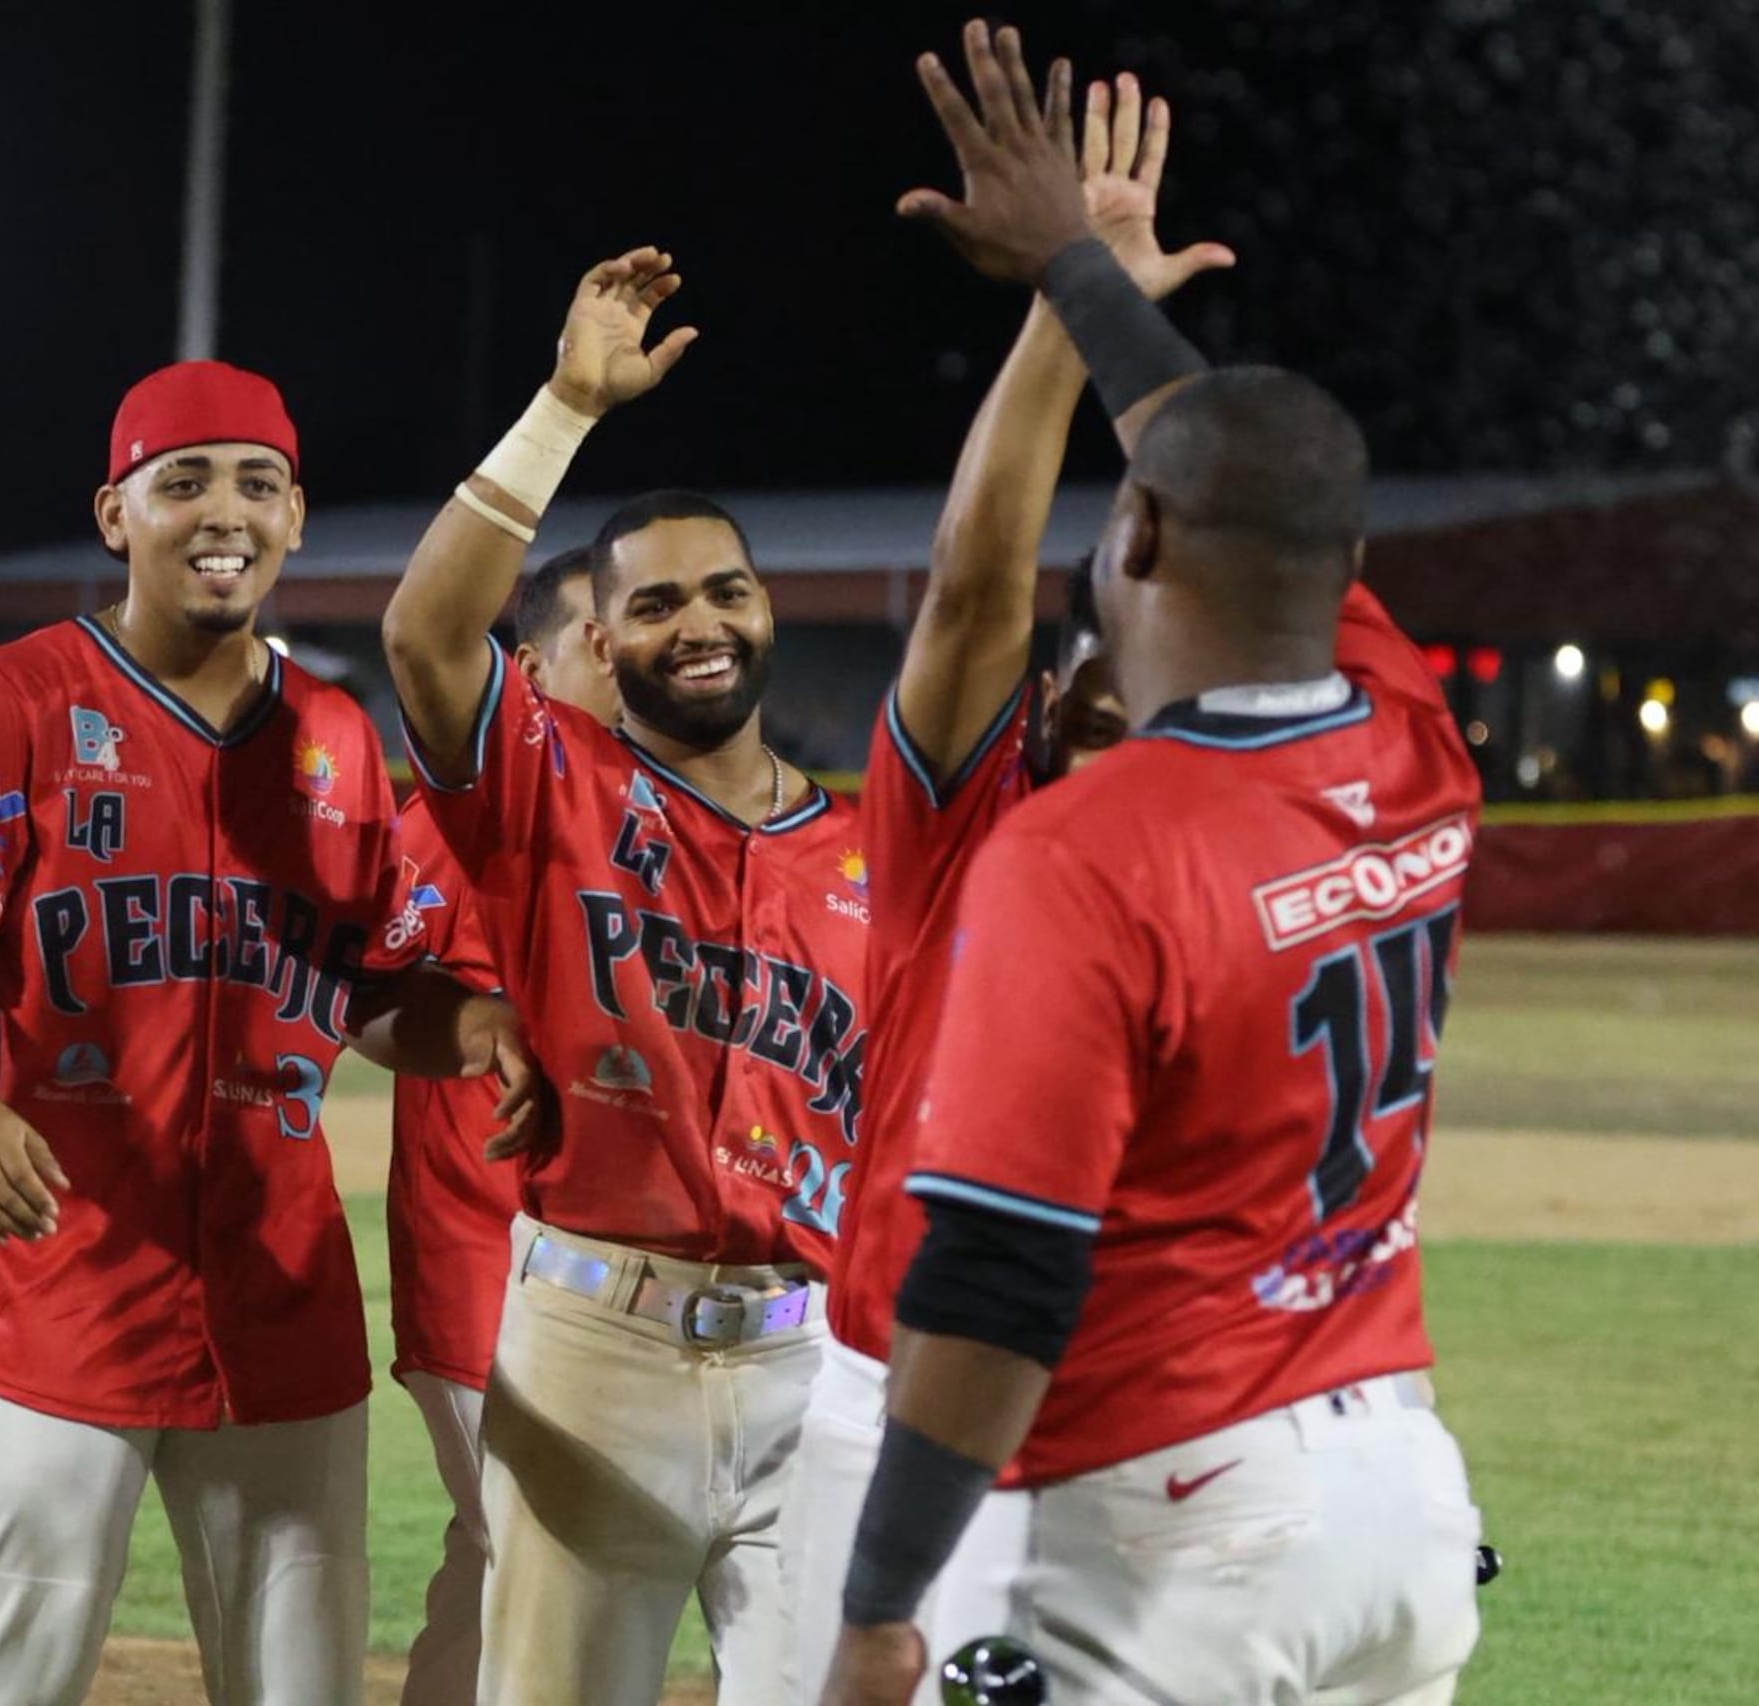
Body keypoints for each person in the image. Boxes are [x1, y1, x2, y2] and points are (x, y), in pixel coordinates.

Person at [825, 23, 1484, 1703]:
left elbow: (998, 1277)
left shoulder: (1083, 855)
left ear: (1131, 540)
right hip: (1391, 1488)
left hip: (1160, 1501)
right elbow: (1229, 464)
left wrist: (884, 1599)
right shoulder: (1409, 744)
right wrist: (1078, 276)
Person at [0, 359, 535, 1706]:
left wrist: (483, 1031)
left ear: (295, 518)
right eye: (184, 482)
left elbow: (372, 996)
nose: (223, 511)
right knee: (13, 1674)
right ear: (117, 513)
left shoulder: (339, 738)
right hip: (56, 1292)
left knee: (302, 1686)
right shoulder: (8, 702)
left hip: (281, 1303)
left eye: (258, 483)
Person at [782, 57, 1235, 1704]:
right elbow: (978, 589)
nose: (1119, 696)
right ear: (1048, 714)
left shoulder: (1230, 870)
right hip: (893, 1390)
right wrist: (1074, 288)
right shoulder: (961, 832)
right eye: (1090, 679)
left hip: (1141, 1409)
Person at [381, 251, 870, 1706]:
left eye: (726, 591)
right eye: (655, 606)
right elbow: (425, 631)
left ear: (769, 610)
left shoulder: (864, 851)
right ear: (599, 642)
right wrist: (568, 403)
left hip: (811, 1351)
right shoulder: (550, 790)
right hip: (599, 1344)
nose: (698, 623)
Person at [389, 545, 618, 1706]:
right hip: (482, 1263)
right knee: (534, 1555)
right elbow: (375, 1003)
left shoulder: (647, 811)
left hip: (595, 1279)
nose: (635, 655)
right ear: (526, 666)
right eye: (604, 633)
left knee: (493, 1562)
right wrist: (482, 1022)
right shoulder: (460, 817)